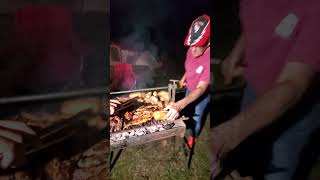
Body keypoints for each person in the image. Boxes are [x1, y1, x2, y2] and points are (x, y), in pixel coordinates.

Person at [212, 0, 320, 179]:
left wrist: (225, 136)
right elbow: (259, 20)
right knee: (251, 153)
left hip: (297, 107)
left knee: (280, 166)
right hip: (253, 90)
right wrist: (237, 53)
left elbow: (294, 83)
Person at [165, 14, 210, 148]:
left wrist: (178, 105)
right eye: (191, 45)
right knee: (187, 110)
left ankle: (193, 136)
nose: (193, 49)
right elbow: (190, 66)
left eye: (198, 45)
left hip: (201, 94)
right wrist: (185, 77)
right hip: (189, 88)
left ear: (209, 42)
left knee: (197, 115)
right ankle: (184, 127)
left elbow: (201, 89)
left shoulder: (209, 60)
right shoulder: (192, 50)